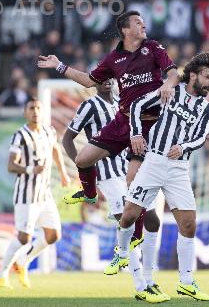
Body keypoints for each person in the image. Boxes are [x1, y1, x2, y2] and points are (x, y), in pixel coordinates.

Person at [38, 10, 177, 301]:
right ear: (125, 29)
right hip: (124, 124)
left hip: (150, 126)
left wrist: (167, 83)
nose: (144, 24)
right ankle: (89, 194)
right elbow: (89, 80)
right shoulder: (114, 60)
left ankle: (140, 275)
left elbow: (173, 72)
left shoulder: (154, 48)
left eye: (143, 21)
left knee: (139, 205)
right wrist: (60, 66)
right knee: (83, 160)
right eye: (138, 22)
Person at [118, 52, 209, 302]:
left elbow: (202, 137)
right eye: (207, 76)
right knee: (129, 215)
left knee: (189, 224)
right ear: (193, 75)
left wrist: (183, 147)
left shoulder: (206, 108)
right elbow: (138, 105)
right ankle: (122, 254)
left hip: (179, 168)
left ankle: (185, 281)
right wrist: (136, 134)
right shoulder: (171, 91)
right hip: (154, 161)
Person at [61, 79, 164, 297]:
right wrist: (85, 170)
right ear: (94, 82)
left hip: (131, 168)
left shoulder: (123, 103)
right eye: (102, 77)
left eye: (110, 76)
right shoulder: (89, 106)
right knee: (128, 224)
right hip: (108, 175)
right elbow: (67, 139)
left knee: (153, 220)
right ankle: (142, 285)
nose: (107, 81)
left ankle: (149, 277)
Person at [0, 98, 70, 289]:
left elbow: (55, 149)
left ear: (42, 112)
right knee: (24, 237)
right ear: (25, 113)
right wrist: (31, 169)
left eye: (38, 108)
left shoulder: (49, 131)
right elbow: (11, 165)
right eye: (31, 108)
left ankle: (23, 262)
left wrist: (63, 173)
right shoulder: (20, 135)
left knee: (53, 235)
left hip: (44, 193)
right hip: (26, 194)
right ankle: (2, 274)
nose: (35, 111)